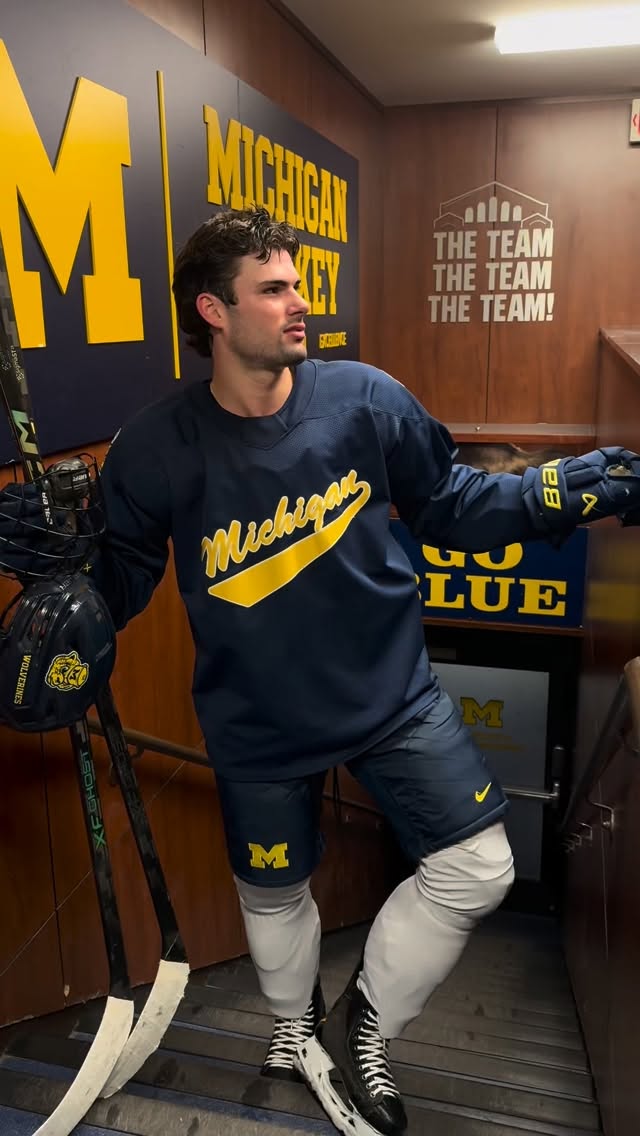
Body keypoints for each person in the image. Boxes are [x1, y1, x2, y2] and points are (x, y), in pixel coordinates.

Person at [1, 207, 639, 1136]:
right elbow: (122, 581)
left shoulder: (366, 400)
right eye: (274, 289)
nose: (300, 303)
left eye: (297, 284)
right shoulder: (155, 446)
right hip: (256, 722)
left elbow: (451, 503)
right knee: (274, 896)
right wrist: (62, 577)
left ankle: (359, 1024)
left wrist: (555, 495)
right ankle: (293, 1025)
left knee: (478, 866)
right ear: (213, 311)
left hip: (392, 697)